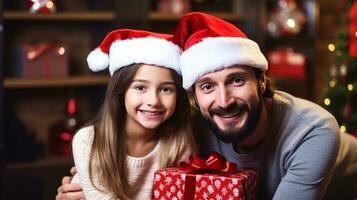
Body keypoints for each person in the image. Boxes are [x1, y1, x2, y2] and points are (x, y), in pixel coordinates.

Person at [57, 12, 357, 200]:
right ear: (193, 96)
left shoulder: (313, 131)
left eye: (237, 80)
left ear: (262, 81)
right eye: (207, 86)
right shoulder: (189, 126)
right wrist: (80, 186)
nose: (224, 101)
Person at [56, 29, 196, 200]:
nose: (154, 101)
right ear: (121, 91)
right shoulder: (89, 141)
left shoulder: (179, 142)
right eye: (140, 87)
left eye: (166, 89)